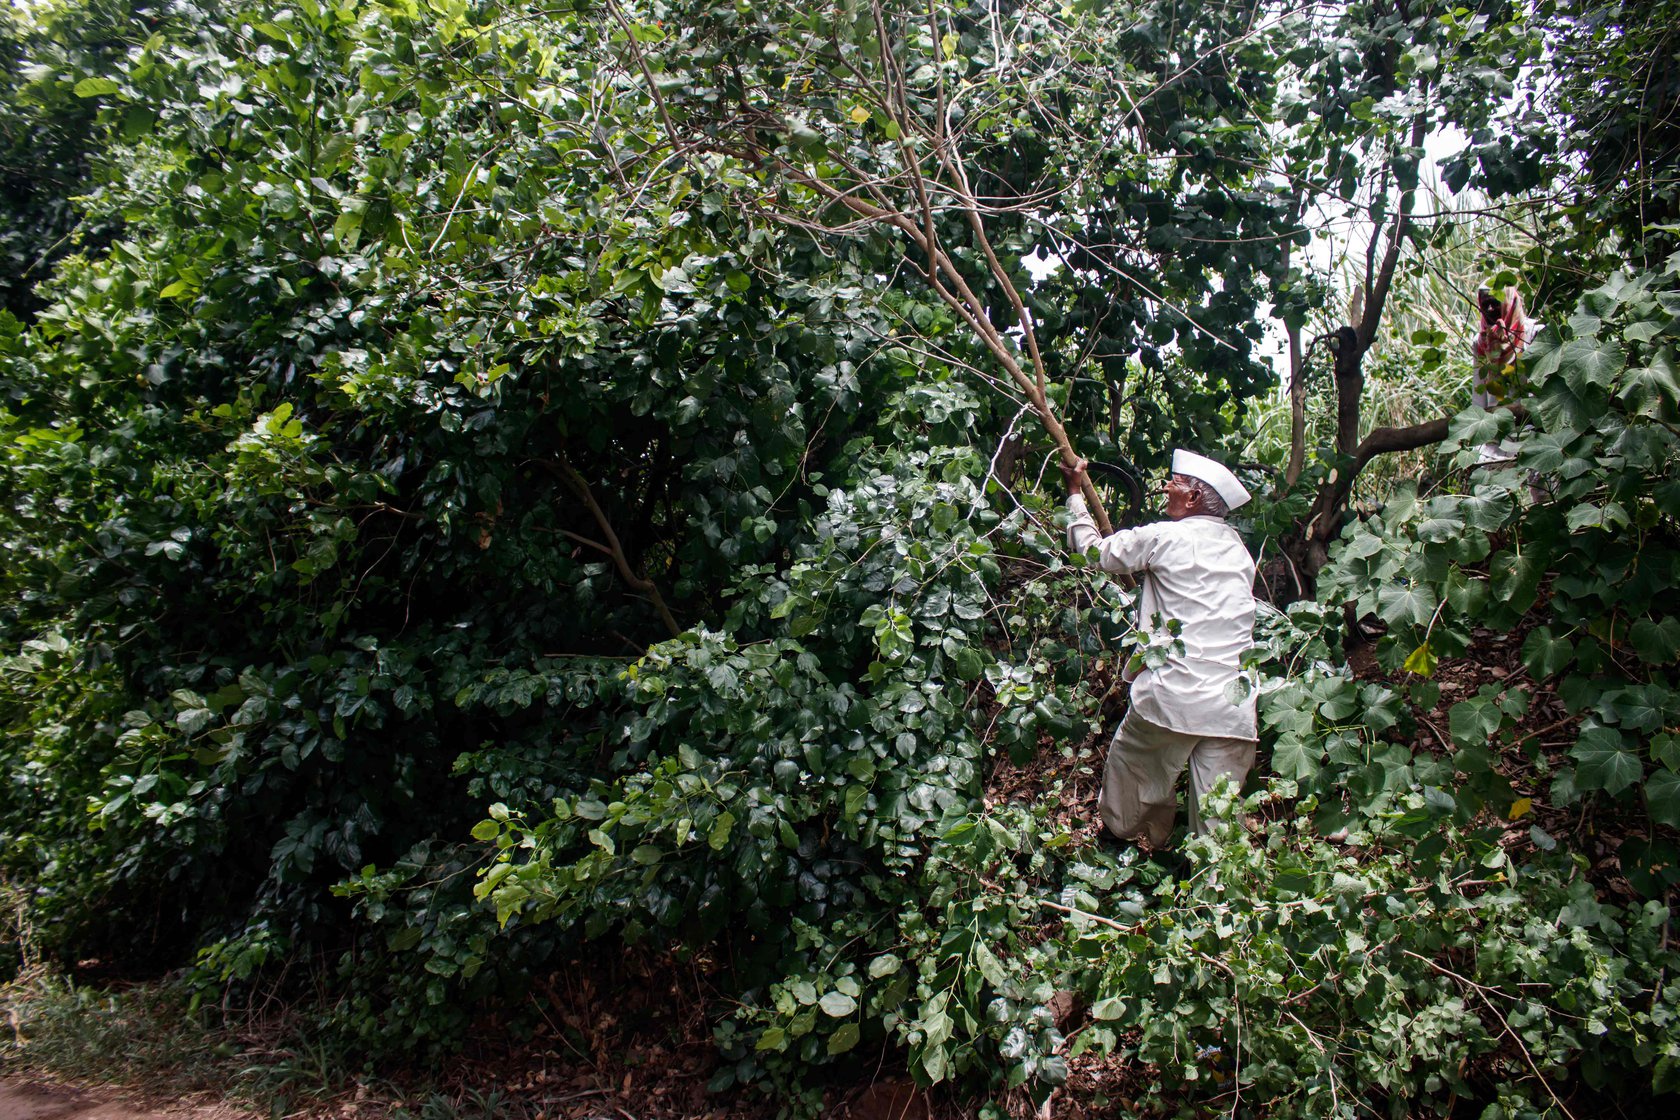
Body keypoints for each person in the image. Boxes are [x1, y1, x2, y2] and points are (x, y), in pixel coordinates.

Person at [1062, 450, 1258, 846]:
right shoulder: (1239, 551)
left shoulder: (1164, 536)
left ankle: (1124, 849)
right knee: (1219, 824)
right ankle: (1215, 894)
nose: (1166, 488)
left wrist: (1074, 494)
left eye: (1175, 483)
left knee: (1131, 783)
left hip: (1175, 697)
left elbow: (1093, 553)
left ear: (1194, 499)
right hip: (1234, 708)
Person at [1471, 286, 1533, 464]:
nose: (1490, 309)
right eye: (1486, 304)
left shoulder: (1532, 332)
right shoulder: (1481, 340)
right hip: (1495, 424)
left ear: (1507, 302)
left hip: (1529, 423)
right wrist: (1478, 429)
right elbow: (1479, 389)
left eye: (1495, 303)